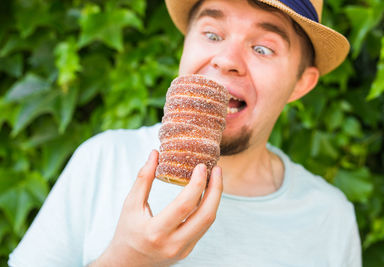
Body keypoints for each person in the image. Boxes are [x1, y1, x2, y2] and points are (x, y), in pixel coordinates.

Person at [8, 0, 362, 266]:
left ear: (301, 83)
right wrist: (127, 258)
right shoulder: (103, 160)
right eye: (212, 34)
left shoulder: (330, 218)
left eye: (262, 48)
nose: (226, 59)